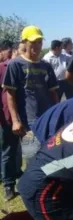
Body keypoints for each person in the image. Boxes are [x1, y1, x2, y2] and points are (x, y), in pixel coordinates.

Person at [3, 25, 59, 163]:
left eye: (39, 42)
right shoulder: (15, 65)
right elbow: (10, 95)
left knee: (50, 155)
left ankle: (51, 184)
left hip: (48, 118)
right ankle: (32, 184)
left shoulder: (46, 65)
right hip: (28, 120)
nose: (37, 45)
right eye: (33, 42)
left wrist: (58, 114)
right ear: (24, 42)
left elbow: (53, 93)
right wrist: (15, 121)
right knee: (32, 158)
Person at [0, 41, 23, 200]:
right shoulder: (2, 68)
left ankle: (19, 174)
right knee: (8, 150)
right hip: (7, 117)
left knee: (24, 149)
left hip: (25, 117)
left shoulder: (26, 68)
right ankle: (9, 185)